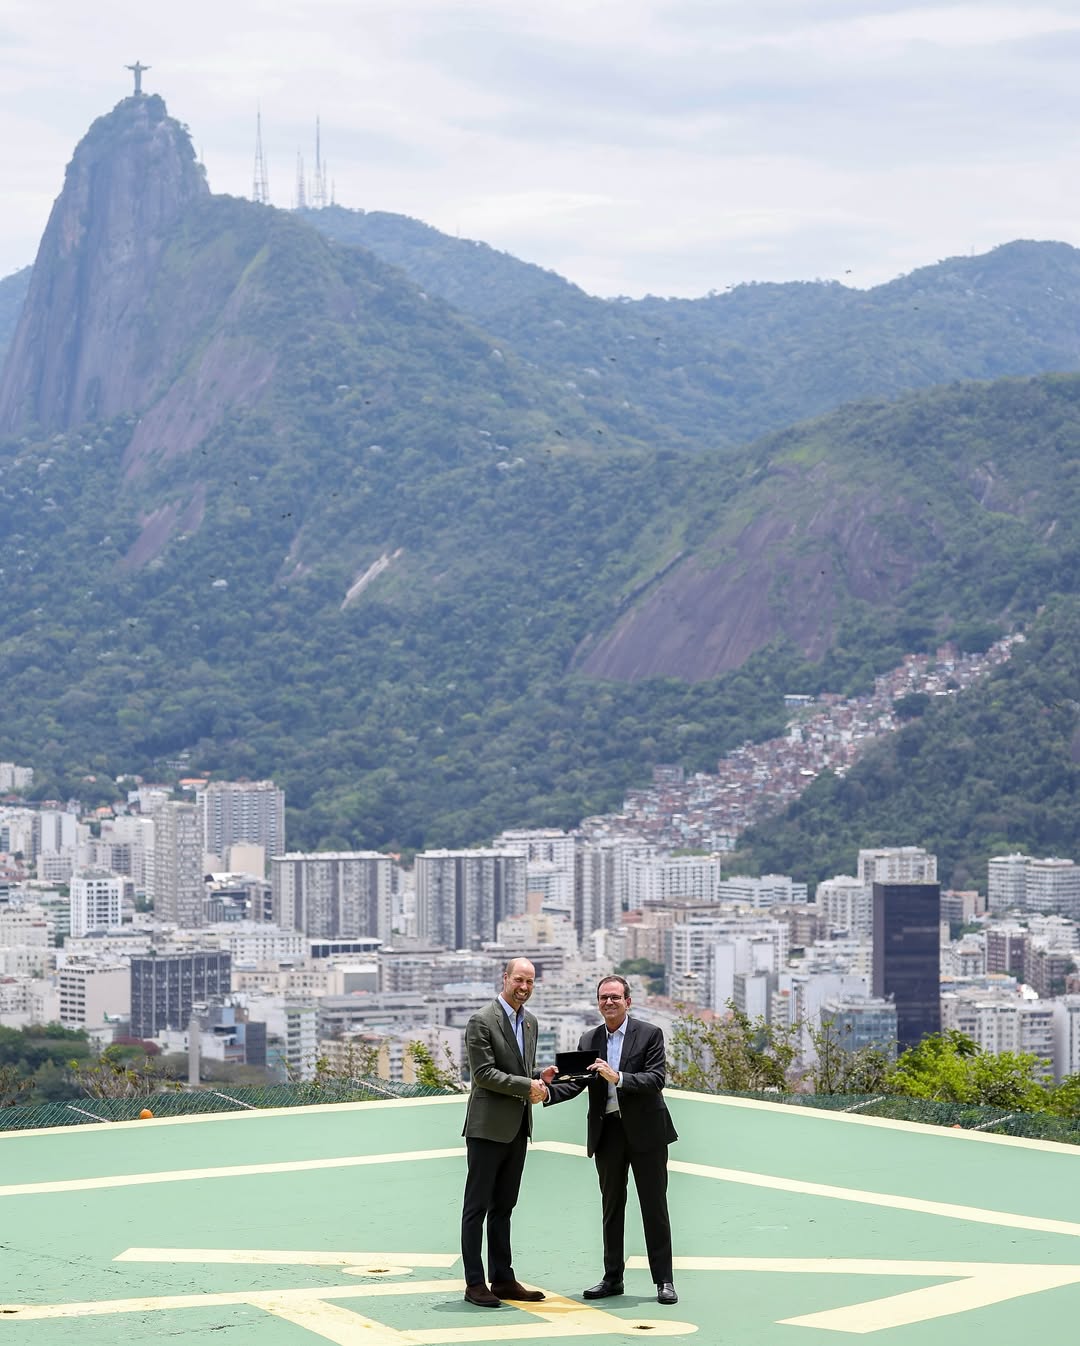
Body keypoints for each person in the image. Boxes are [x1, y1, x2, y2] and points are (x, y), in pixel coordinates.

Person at [546, 974, 678, 1305]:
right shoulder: (589, 1038)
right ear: (598, 1003)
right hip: (608, 1133)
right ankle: (612, 1277)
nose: (609, 1002)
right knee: (611, 1206)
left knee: (654, 1206)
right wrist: (544, 1089)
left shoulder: (649, 1034)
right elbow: (574, 1083)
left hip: (647, 1133)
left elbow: (655, 1079)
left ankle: (664, 1280)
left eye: (615, 997)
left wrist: (617, 1077)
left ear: (628, 1002)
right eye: (603, 997)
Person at [460, 956, 554, 1308]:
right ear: (505, 978)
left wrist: (540, 1079)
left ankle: (502, 1279)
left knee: (504, 1208)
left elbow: (521, 1069)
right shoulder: (481, 1021)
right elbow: (482, 1073)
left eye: (530, 982)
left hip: (517, 1127)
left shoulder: (530, 1022)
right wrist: (526, 1085)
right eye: (519, 980)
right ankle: (474, 1283)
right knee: (477, 1208)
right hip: (486, 1128)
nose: (524, 987)